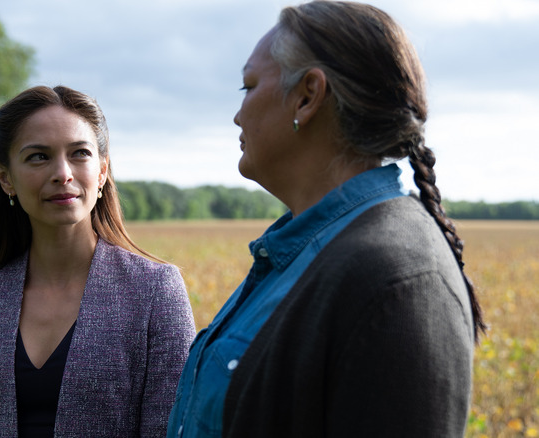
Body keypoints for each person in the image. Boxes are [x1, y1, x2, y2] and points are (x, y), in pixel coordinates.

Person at [167, 2, 485, 437]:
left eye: (248, 86)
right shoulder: (309, 250)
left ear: (307, 95)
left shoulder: (397, 280)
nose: (237, 114)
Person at [0, 85, 196, 437]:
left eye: (79, 153)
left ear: (102, 172)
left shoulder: (155, 292)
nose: (63, 173)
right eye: (38, 157)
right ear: (5, 178)